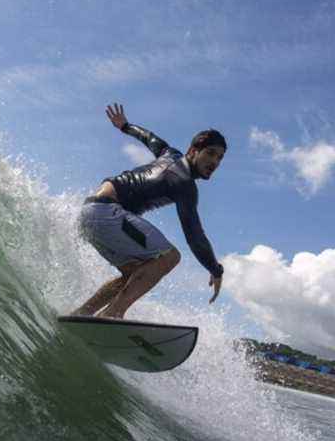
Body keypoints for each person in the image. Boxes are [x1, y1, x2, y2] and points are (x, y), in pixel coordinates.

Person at [72, 103, 226, 319]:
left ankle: (82, 313)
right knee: (170, 257)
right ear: (193, 151)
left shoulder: (169, 153)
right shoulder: (185, 184)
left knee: (135, 273)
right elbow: (194, 235)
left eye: (220, 158)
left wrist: (125, 126)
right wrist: (215, 269)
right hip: (106, 212)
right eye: (210, 153)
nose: (214, 162)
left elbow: (149, 138)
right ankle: (113, 314)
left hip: (90, 213)